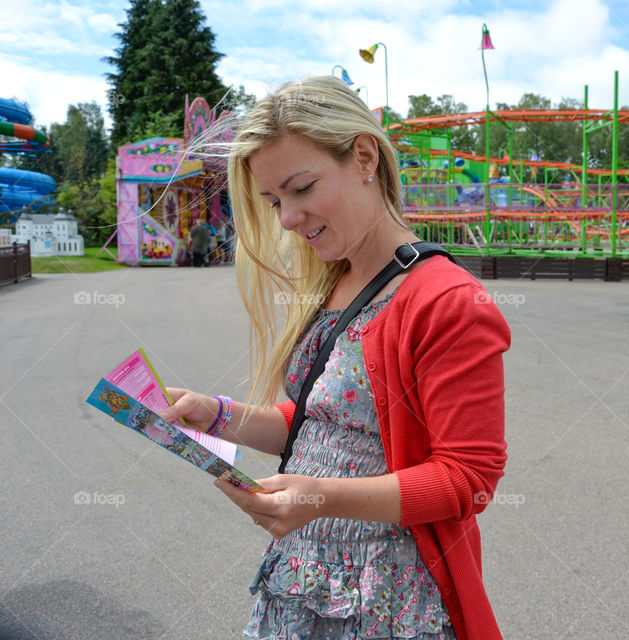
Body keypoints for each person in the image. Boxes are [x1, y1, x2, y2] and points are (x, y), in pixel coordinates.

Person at [159, 76, 510, 640]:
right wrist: (216, 413)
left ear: (365, 156)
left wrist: (320, 498)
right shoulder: (334, 284)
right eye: (274, 201)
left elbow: (469, 479)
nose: (287, 220)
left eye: (300, 188)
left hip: (388, 598)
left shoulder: (446, 300)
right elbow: (314, 426)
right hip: (301, 582)